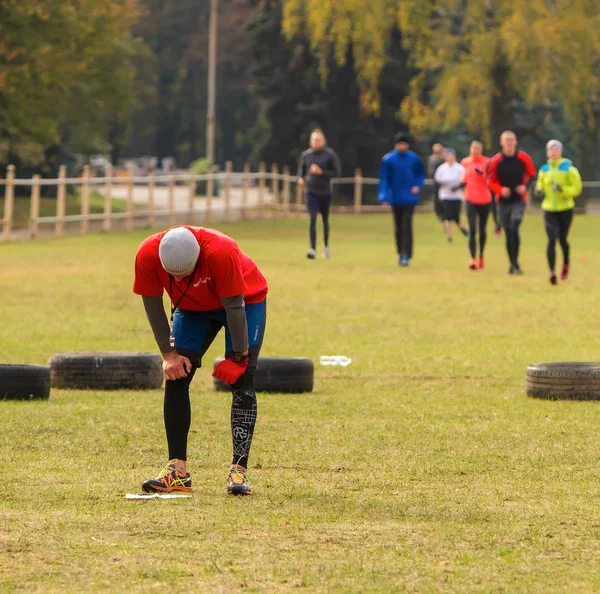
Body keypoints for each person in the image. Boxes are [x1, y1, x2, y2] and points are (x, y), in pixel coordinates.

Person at [133, 226, 268, 496]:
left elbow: (235, 308)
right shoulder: (147, 254)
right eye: (173, 275)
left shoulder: (221, 251)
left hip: (244, 301)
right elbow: (152, 303)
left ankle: (238, 471)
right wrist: (169, 354)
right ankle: (177, 471)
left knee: (243, 378)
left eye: (184, 274)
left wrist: (240, 357)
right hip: (193, 310)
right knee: (176, 374)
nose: (178, 279)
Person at [488, 130, 536, 275]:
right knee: (509, 232)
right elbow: (490, 181)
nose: (509, 142)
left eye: (511, 140)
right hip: (503, 202)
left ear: (515, 142)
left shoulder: (524, 158)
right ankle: (513, 264)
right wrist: (500, 189)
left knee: (514, 225)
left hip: (518, 200)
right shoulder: (496, 160)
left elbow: (532, 175)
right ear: (502, 143)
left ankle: (515, 263)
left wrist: (525, 187)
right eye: (506, 140)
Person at [535, 140, 583, 285]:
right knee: (551, 239)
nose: (553, 152)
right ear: (547, 152)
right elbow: (540, 183)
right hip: (549, 208)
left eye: (555, 149)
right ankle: (552, 272)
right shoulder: (544, 169)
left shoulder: (569, 169)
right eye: (550, 150)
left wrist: (562, 190)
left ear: (560, 151)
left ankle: (566, 264)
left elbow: (577, 188)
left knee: (562, 239)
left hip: (565, 209)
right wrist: (538, 189)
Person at [377, 132, 426, 267]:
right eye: (400, 144)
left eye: (404, 144)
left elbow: (420, 174)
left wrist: (417, 185)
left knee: (406, 225)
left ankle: (406, 254)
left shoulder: (414, 159)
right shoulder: (388, 160)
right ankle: (400, 252)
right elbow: (384, 179)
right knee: (398, 226)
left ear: (407, 145)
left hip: (410, 197)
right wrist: (383, 196)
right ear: (396, 145)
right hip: (395, 197)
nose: (402, 146)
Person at [297, 129, 341, 260]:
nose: (316, 142)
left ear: (323, 141)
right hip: (311, 191)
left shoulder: (329, 155)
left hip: (325, 192)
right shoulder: (306, 155)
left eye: (318, 140)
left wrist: (322, 172)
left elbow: (336, 172)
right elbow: (301, 171)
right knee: (312, 218)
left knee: (325, 220)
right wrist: (300, 178)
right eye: (314, 140)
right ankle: (312, 249)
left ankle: (326, 245)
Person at [461, 141, 492, 269]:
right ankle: (472, 258)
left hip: (484, 199)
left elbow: (492, 179)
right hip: (470, 198)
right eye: (473, 148)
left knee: (482, 229)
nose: (475, 150)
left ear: (481, 149)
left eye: (478, 148)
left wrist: (483, 175)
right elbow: (463, 178)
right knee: (472, 229)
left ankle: (481, 255)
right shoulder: (465, 162)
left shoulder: (487, 162)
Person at [434, 148, 468, 242]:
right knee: (447, 215)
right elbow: (437, 181)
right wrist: (442, 184)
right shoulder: (441, 168)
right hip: (445, 195)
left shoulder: (459, 168)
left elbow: (464, 181)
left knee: (456, 216)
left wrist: (457, 187)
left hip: (456, 195)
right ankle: (449, 235)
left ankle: (463, 229)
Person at [428, 143, 446, 223]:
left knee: (444, 198)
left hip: (444, 181)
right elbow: (430, 169)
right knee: (436, 198)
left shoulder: (444, 158)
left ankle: (445, 213)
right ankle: (439, 214)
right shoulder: (431, 158)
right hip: (436, 181)